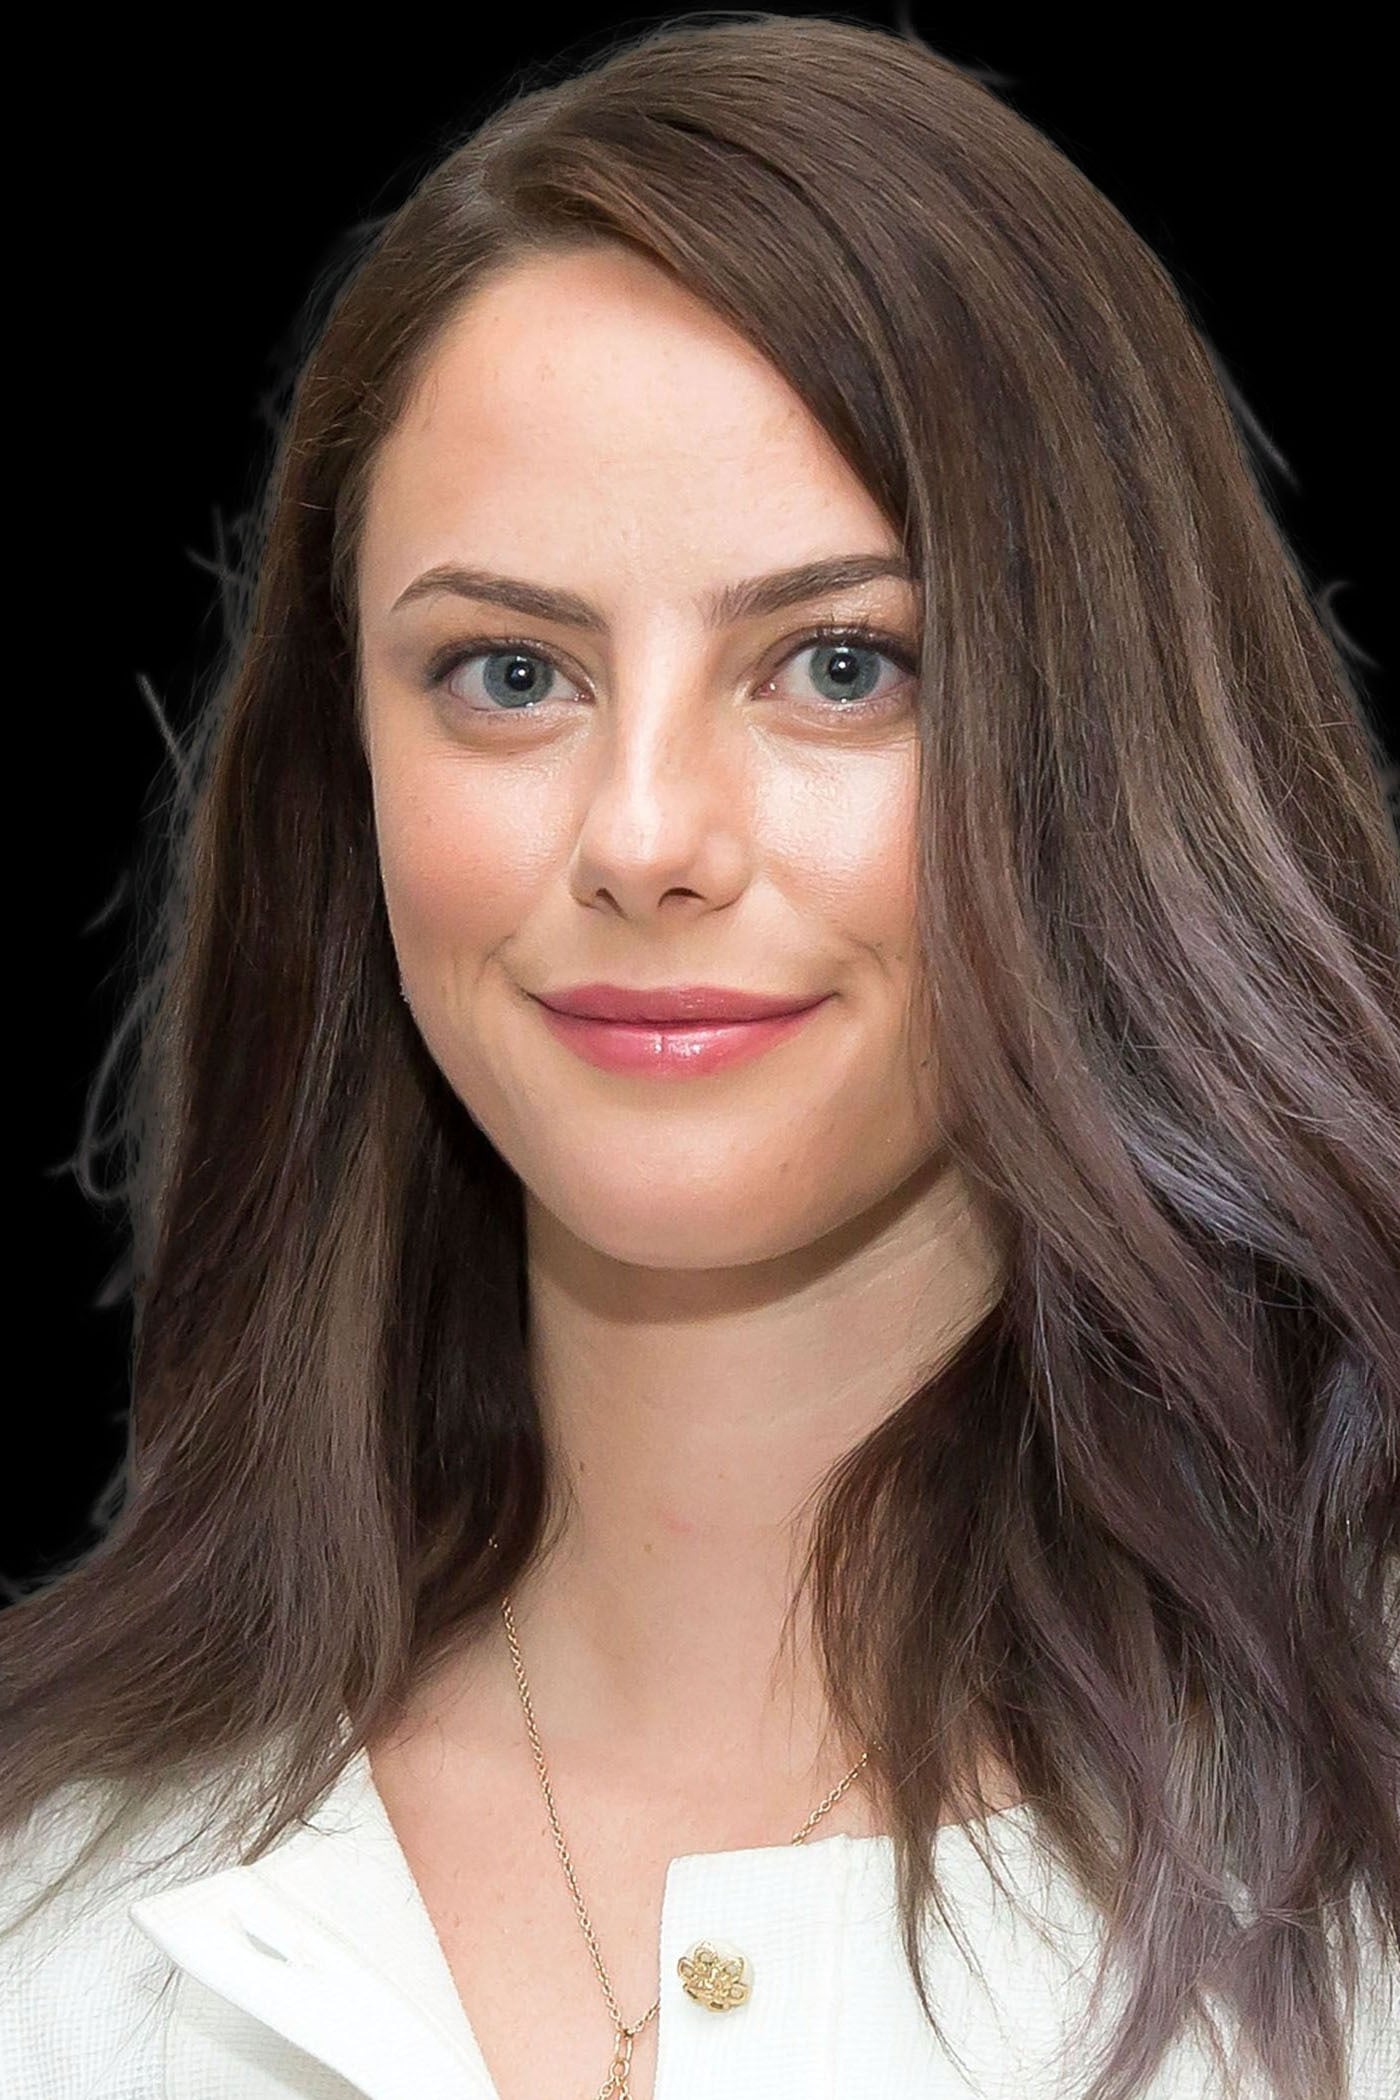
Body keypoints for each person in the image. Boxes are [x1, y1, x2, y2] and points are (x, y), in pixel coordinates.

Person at [2, 16, 1397, 2100]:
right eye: (510, 673)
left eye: (839, 665)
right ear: (344, 773)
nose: (645, 833)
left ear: (1106, 748)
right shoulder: (48, 1899)